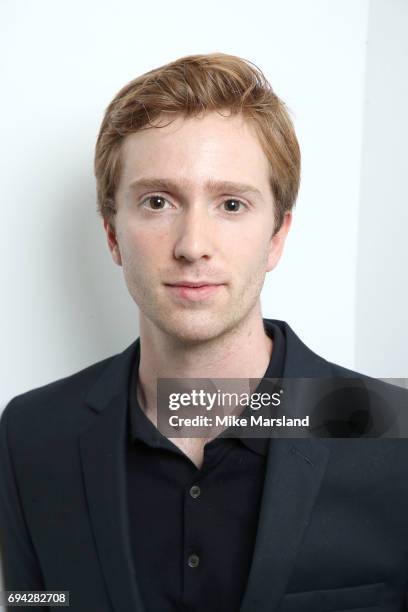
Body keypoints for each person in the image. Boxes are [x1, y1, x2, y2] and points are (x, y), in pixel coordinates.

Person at [1, 53, 407, 612]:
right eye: (158, 201)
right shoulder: (29, 436)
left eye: (231, 204)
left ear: (277, 237)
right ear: (113, 236)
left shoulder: (394, 440)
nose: (193, 245)